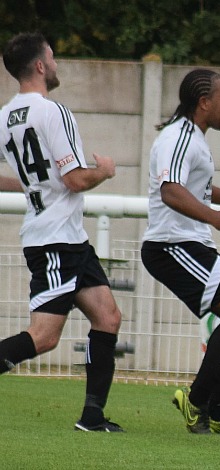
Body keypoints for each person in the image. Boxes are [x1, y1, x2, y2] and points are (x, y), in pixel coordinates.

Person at [0, 32, 124, 432]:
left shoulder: (5, 117)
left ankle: (92, 417)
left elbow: (43, 177)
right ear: (40, 66)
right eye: (52, 57)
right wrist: (104, 171)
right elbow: (74, 180)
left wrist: (31, 185)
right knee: (44, 337)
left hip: (68, 239)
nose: (55, 64)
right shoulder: (54, 112)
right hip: (54, 239)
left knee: (108, 316)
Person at [141, 68, 220, 435]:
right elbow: (171, 190)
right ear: (204, 102)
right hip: (171, 245)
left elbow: (197, 188)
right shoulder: (178, 137)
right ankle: (199, 403)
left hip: (188, 244)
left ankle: (216, 413)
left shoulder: (193, 137)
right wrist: (215, 218)